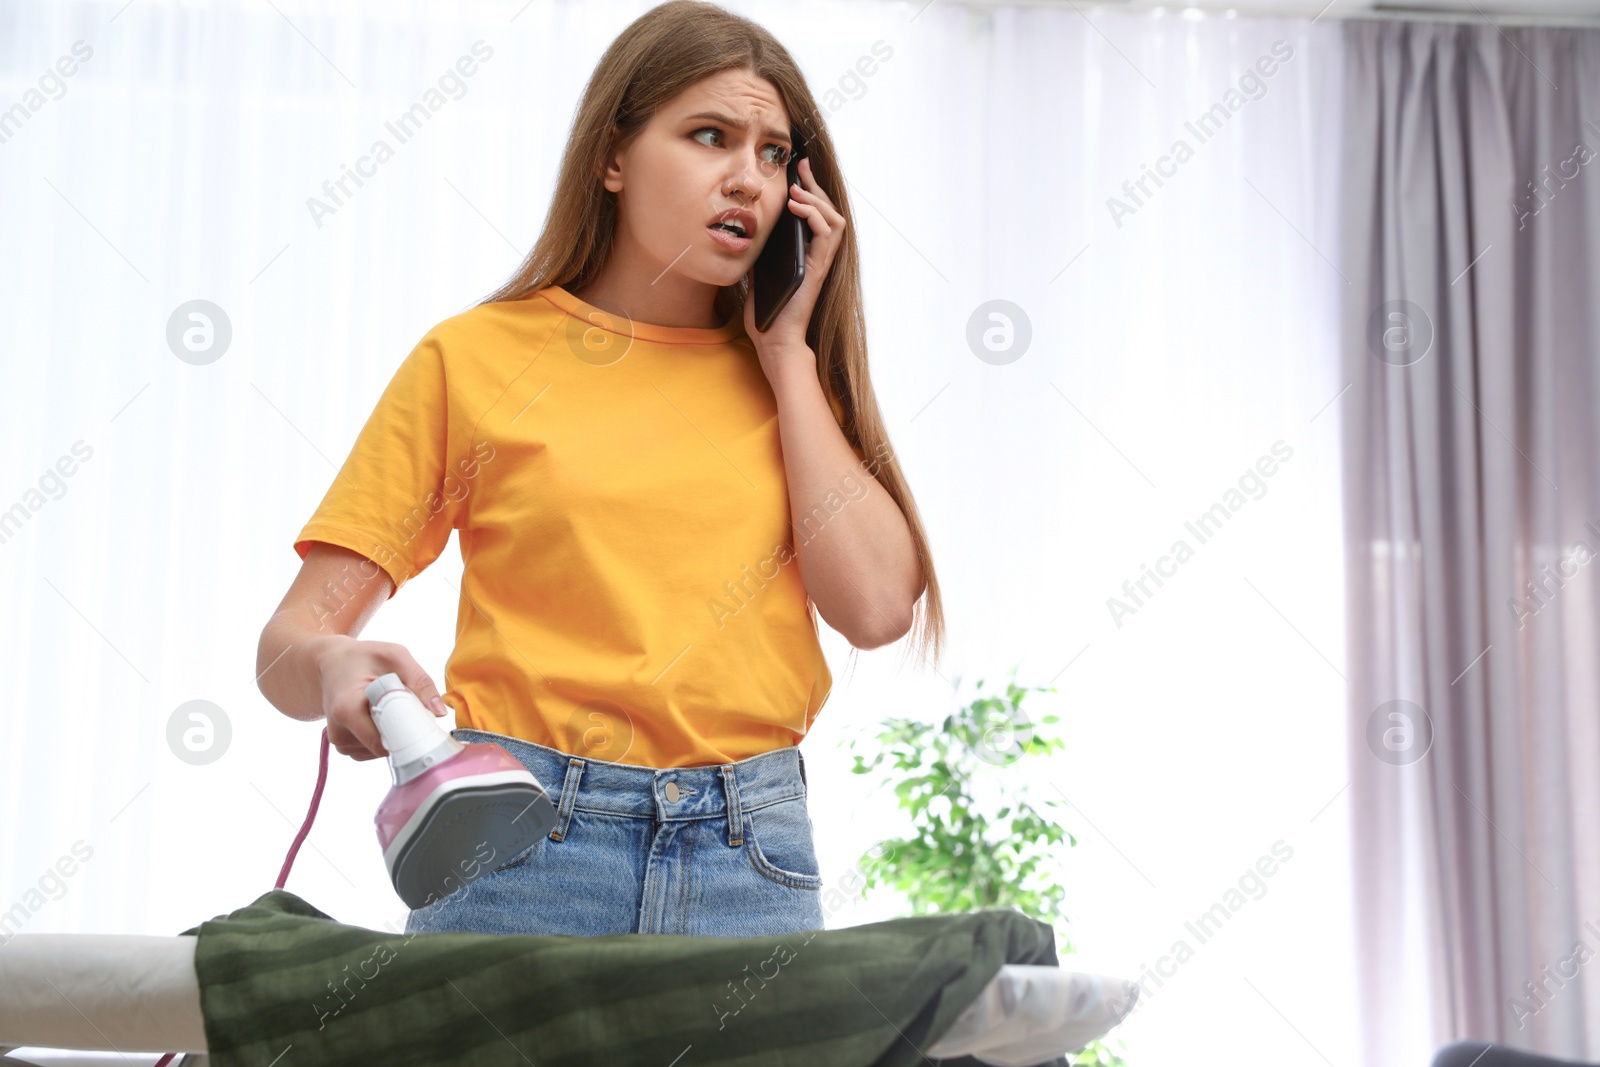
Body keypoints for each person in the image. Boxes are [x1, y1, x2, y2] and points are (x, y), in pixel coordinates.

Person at [255, 0, 945, 939]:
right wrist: (334, 659)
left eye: (776, 154)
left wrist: (789, 356)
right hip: (521, 847)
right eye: (711, 136)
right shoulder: (475, 359)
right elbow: (287, 644)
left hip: (751, 858)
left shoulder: (791, 387)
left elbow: (876, 610)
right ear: (612, 158)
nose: (748, 177)